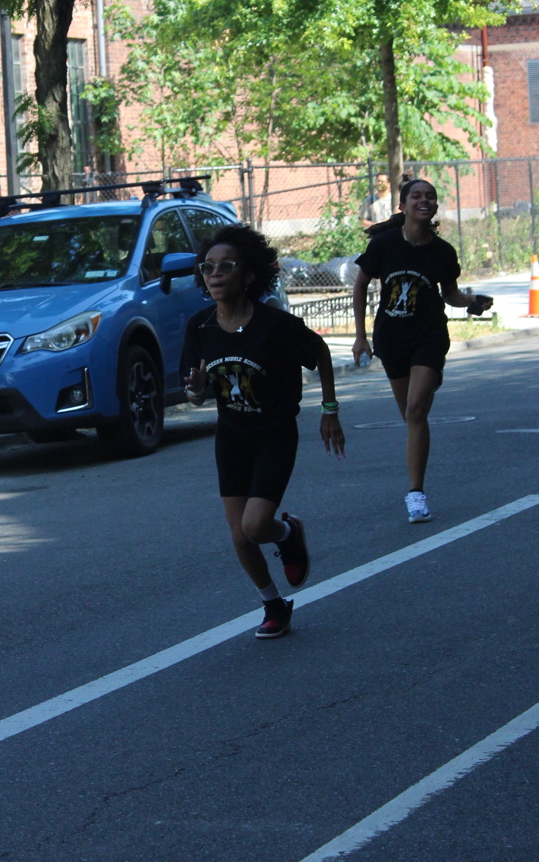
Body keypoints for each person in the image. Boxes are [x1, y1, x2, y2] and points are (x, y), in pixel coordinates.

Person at [181, 224, 345, 640]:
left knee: (256, 527)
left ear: (249, 274)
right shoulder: (200, 327)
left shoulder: (275, 325)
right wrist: (196, 391)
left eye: (226, 266)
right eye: (208, 267)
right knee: (239, 534)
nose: (215, 274)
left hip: (274, 434)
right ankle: (273, 604)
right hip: (232, 438)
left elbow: (320, 352)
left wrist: (329, 410)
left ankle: (288, 533)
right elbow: (197, 395)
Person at [352, 178, 492, 525]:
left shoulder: (443, 251)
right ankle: (427, 382)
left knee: (415, 410)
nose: (424, 201)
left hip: (429, 335)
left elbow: (450, 294)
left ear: (435, 205)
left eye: (430, 196)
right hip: (391, 338)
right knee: (411, 417)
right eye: (416, 196)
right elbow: (360, 286)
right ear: (403, 205)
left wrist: (471, 301)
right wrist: (360, 337)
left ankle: (415, 494)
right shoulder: (383, 245)